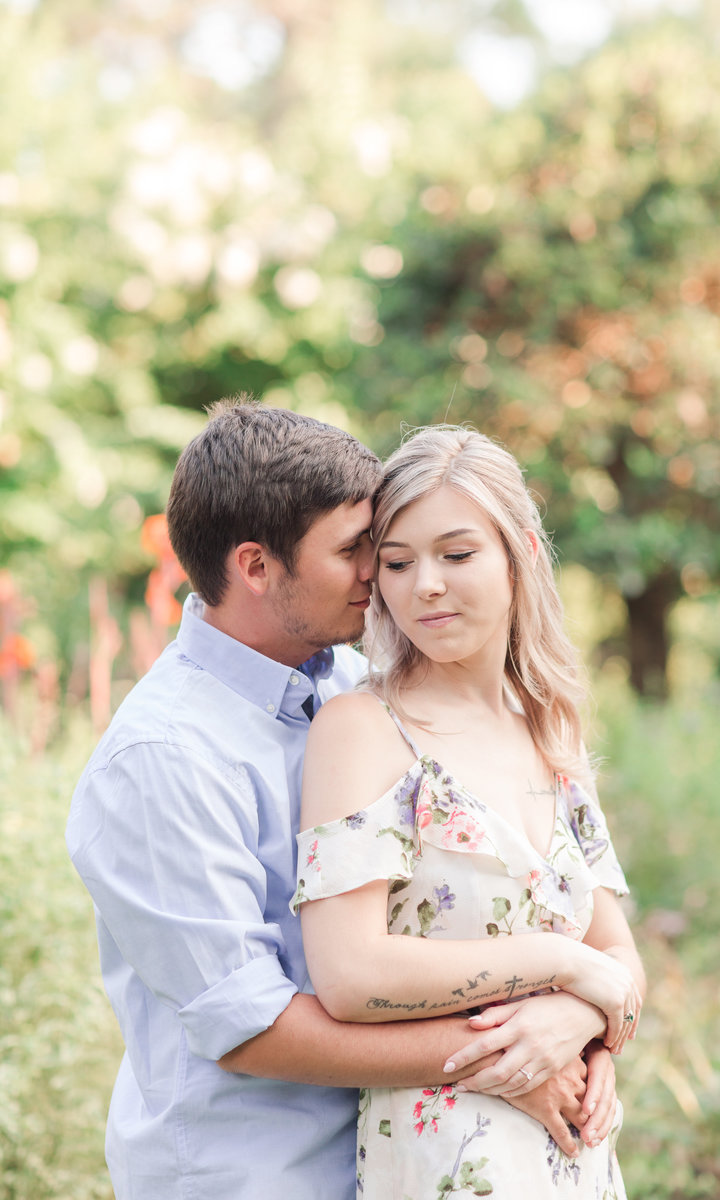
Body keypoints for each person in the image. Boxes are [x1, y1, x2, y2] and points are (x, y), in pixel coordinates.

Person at [67, 400, 622, 1200]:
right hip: (253, 1175)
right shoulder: (159, 761)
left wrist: (575, 1022)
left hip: (398, 1156)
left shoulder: (364, 690)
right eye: (359, 551)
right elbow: (251, 1027)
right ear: (257, 568)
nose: (387, 575)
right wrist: (507, 1060)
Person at [293, 425, 646, 1198]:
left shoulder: (548, 727)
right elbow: (350, 976)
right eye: (397, 562)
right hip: (447, 1161)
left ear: (518, 553)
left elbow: (620, 963)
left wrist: (582, 1027)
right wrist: (561, 968)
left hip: (576, 1161)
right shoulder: (362, 728)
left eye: (456, 555)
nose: (425, 584)